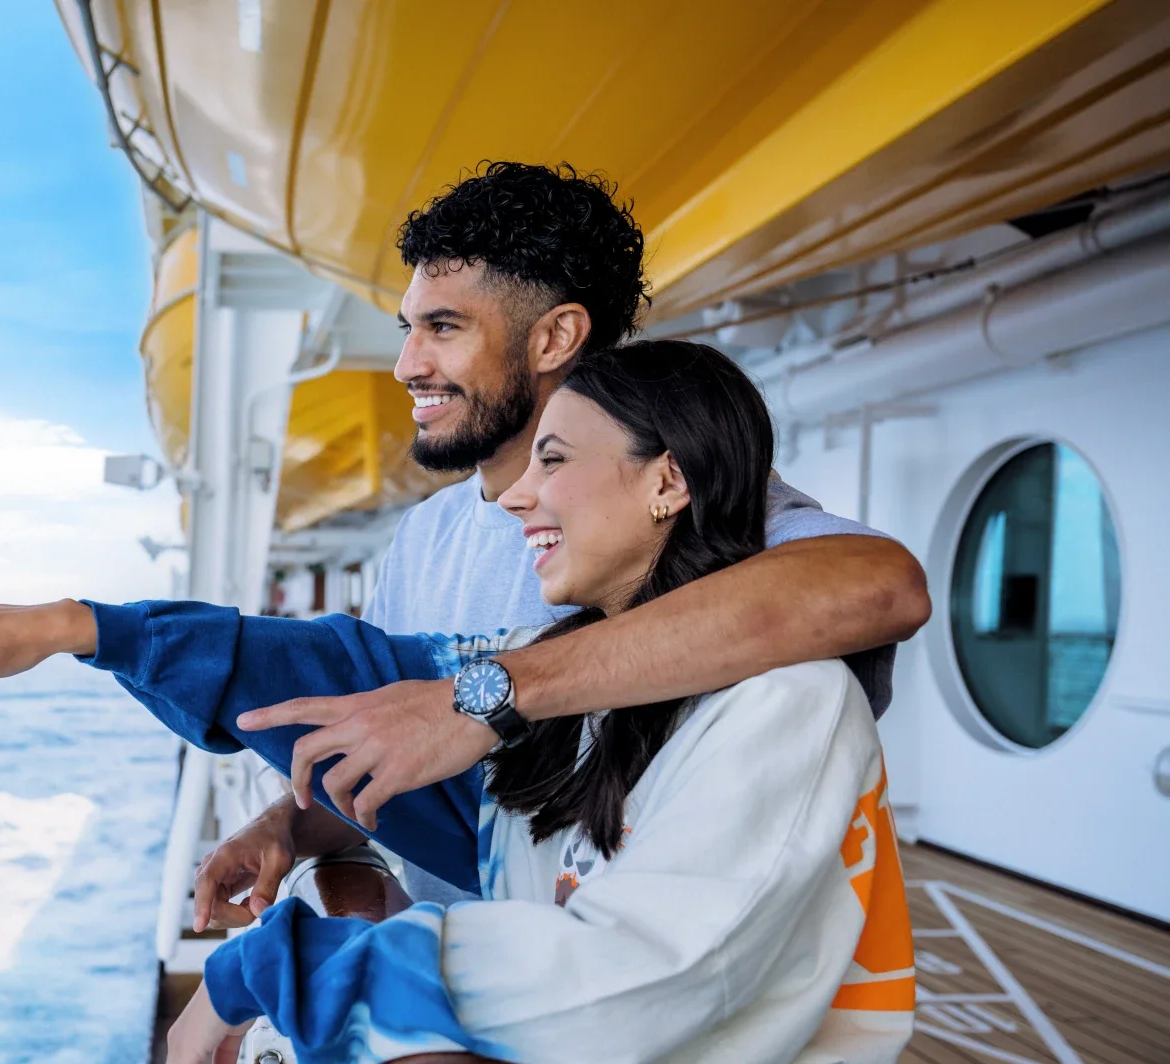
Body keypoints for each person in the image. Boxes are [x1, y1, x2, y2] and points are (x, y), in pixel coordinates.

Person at [0, 341, 922, 1064]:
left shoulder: (785, 702)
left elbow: (636, 992)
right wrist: (86, 630)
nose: (516, 498)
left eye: (554, 460)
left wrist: (285, 965)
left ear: (668, 481)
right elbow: (351, 672)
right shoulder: (570, 682)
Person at [192, 161, 928, 921]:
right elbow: (410, 757)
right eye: (409, 330)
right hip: (459, 973)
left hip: (624, 970)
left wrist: (486, 697)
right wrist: (289, 824)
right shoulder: (424, 535)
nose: (408, 366)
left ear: (555, 337)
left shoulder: (668, 504)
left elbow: (882, 585)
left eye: (444, 327)